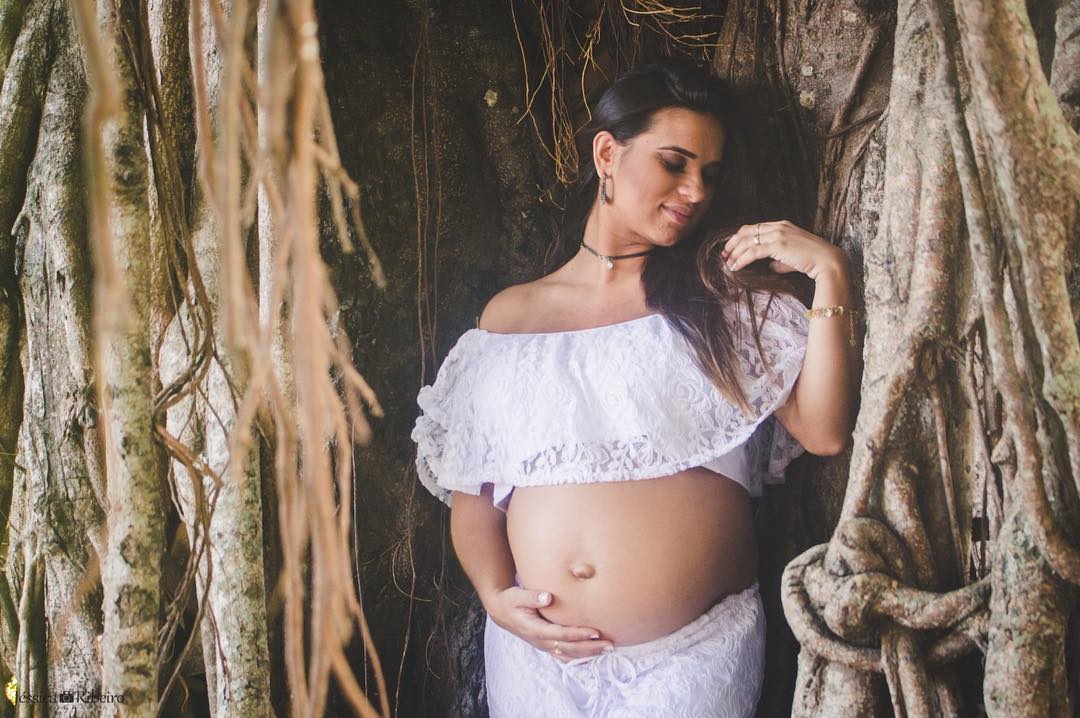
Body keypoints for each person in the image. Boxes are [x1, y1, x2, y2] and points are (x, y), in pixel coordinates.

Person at [410, 58, 858, 718]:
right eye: (675, 162)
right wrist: (494, 595)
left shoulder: (719, 298)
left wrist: (830, 272)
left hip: (691, 656)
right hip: (540, 660)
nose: (695, 190)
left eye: (709, 172)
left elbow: (824, 430)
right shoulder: (511, 317)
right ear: (607, 154)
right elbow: (474, 492)